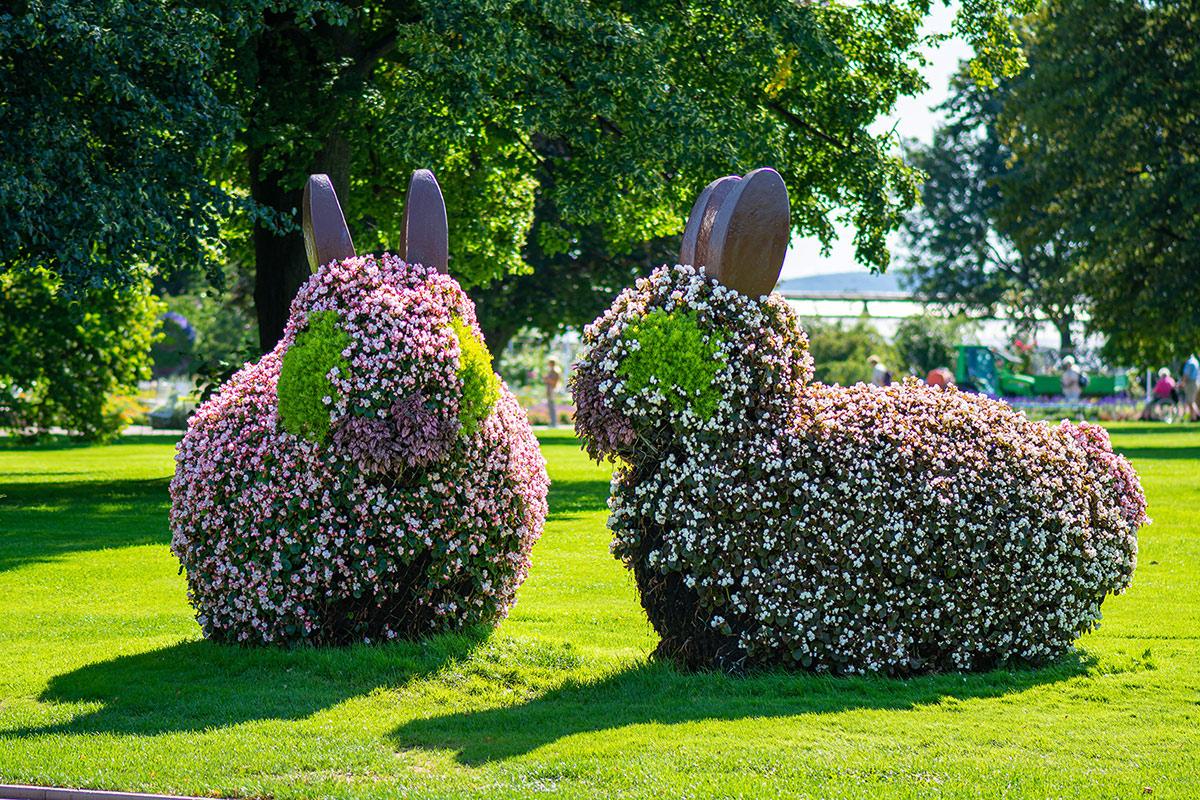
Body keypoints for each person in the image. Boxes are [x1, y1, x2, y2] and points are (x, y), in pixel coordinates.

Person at [543, 357, 563, 428]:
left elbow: (554, 381)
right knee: (551, 407)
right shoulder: (553, 370)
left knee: (552, 407)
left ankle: (554, 423)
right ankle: (552, 422)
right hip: (551, 390)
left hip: (553, 390)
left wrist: (547, 379)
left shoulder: (555, 371)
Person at [1181, 353, 1199, 420]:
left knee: (1191, 401)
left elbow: (1186, 375)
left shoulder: (1190, 362)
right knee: (1190, 401)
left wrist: (1182, 383)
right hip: (1195, 382)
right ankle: (1193, 417)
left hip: (1191, 383)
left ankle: (1196, 416)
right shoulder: (1195, 361)